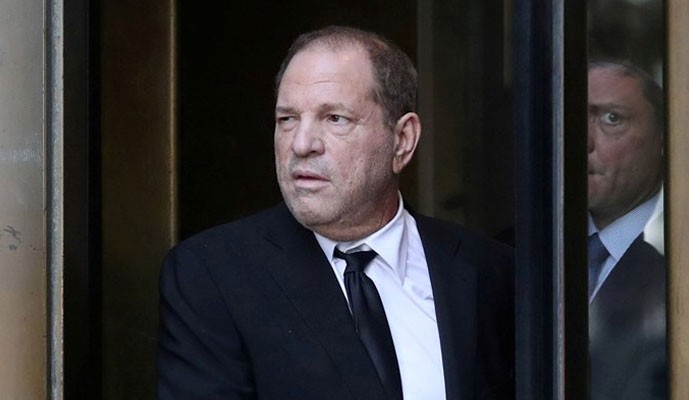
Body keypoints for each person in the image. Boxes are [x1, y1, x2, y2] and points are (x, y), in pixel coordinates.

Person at [157, 26, 514, 400]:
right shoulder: (212, 275)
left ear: (403, 140)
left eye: (335, 119)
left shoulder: (490, 273)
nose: (302, 144)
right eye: (287, 119)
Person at [587, 60, 667, 400]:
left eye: (612, 118)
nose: (583, 140)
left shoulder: (680, 257)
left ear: (663, 139)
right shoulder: (513, 252)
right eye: (573, 118)